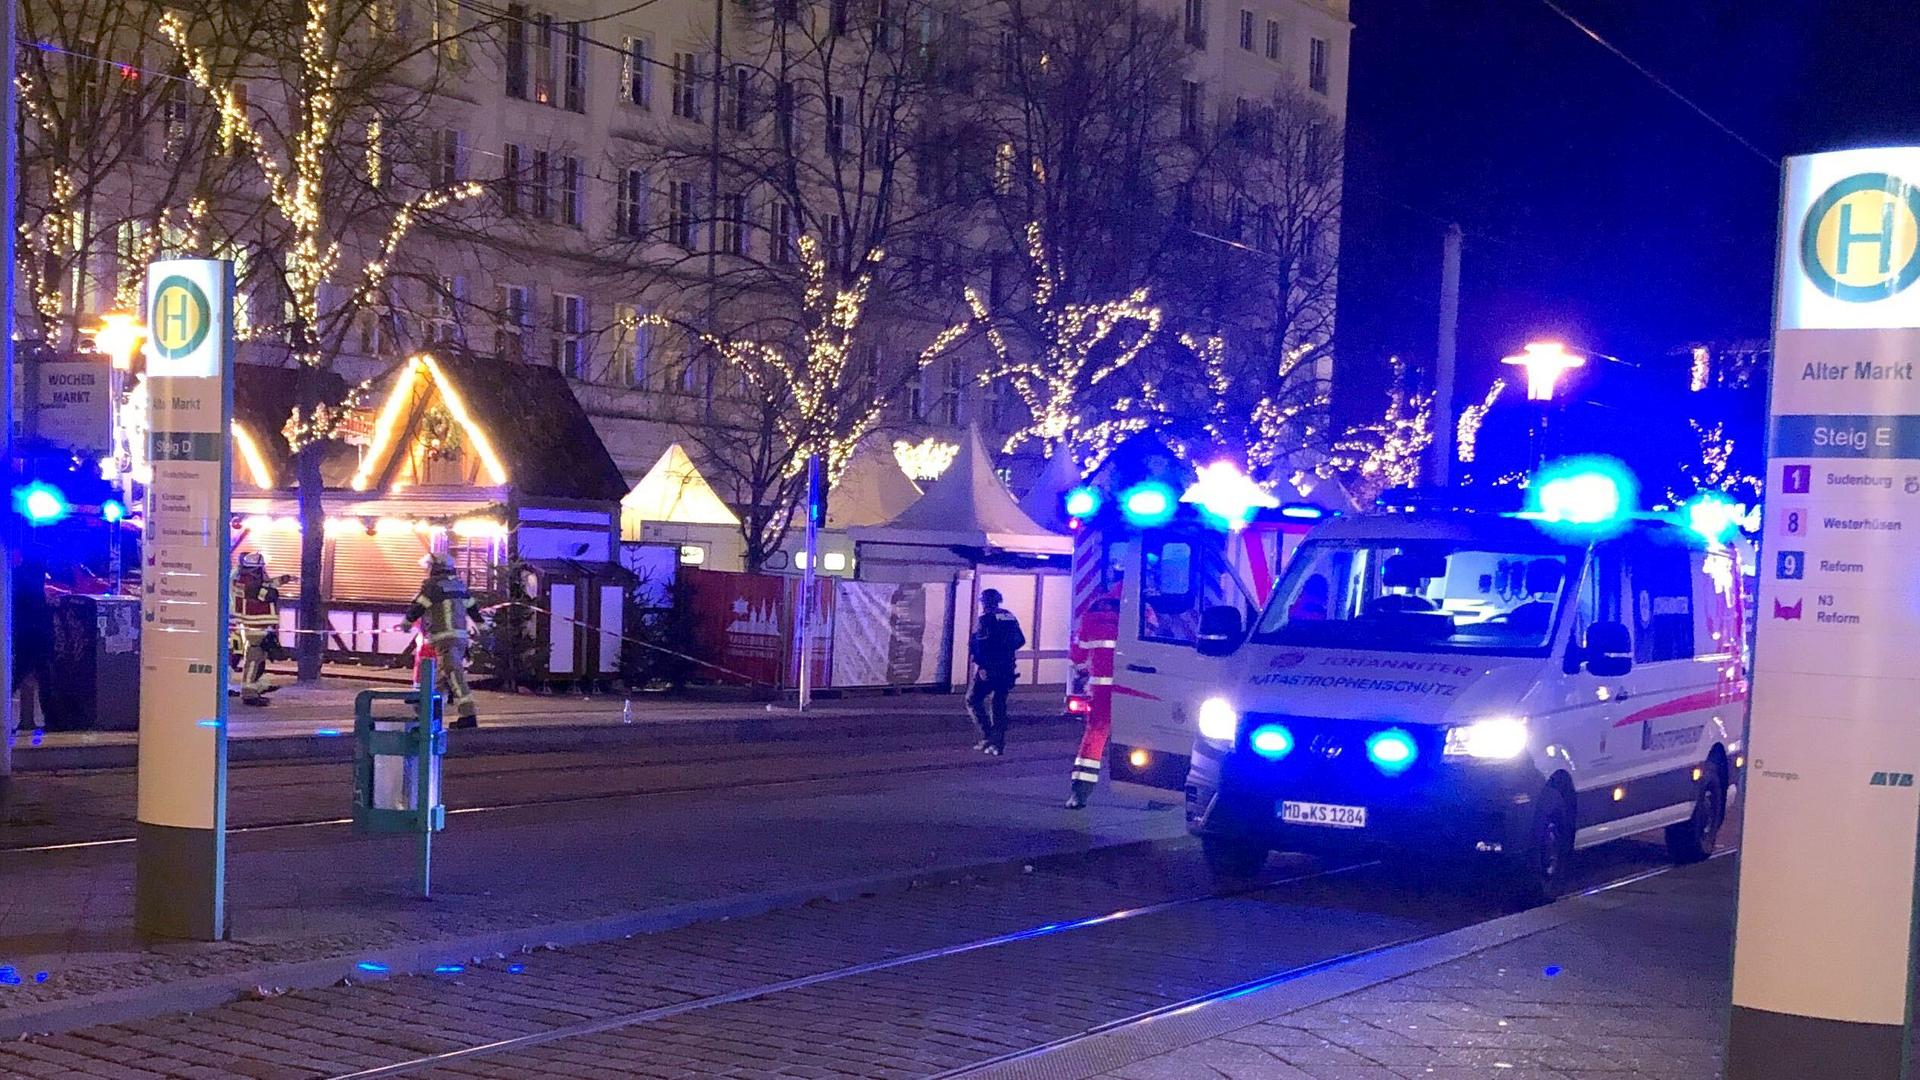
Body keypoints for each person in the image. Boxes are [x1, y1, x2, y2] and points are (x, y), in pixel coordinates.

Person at [402, 552, 482, 728]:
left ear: (435, 568)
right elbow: (472, 608)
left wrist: (406, 623)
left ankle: (468, 716)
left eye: (429, 567)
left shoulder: (432, 586)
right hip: (460, 640)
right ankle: (427, 715)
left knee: (454, 676)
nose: (427, 570)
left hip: (444, 640)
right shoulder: (459, 586)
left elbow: (419, 607)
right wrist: (482, 626)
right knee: (440, 680)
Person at [1066, 597, 1120, 809]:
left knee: (1095, 737)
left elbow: (1078, 656)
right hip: (1135, 687)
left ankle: (1079, 794)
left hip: (1101, 688)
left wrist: (1081, 668)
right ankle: (1156, 795)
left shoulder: (1093, 612)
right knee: (1144, 737)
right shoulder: (1143, 608)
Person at [966, 588, 1025, 755]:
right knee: (999, 704)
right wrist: (1006, 652)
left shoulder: (985, 620)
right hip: (1007, 668)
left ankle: (988, 736)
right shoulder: (1009, 616)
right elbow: (1020, 640)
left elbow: (978, 646)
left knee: (973, 699)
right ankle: (997, 744)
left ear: (984, 602)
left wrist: (983, 665)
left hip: (990, 668)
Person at [230, 551, 281, 706]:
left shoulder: (241, 579)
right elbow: (266, 594)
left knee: (256, 658)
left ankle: (255, 687)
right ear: (256, 569)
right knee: (253, 658)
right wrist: (274, 591)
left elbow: (268, 585)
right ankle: (249, 692)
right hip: (255, 625)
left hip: (251, 624)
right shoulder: (251, 582)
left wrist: (285, 579)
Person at [10, 548, 54, 729]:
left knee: (22, 675)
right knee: (40, 677)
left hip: (24, 632)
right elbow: (37, 604)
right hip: (35, 633)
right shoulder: (31, 578)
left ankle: (29, 720)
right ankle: (51, 719)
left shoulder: (19, 575)